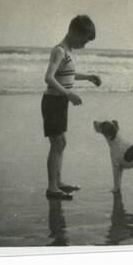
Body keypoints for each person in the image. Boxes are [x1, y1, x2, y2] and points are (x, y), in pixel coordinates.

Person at [42, 15, 102, 199]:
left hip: (60, 103)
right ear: (74, 33)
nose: (84, 46)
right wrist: (69, 94)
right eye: (83, 41)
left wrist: (89, 77)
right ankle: (52, 188)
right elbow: (49, 77)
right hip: (52, 102)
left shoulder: (68, 52)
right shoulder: (59, 51)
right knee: (57, 143)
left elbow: (69, 75)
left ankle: (58, 183)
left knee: (61, 143)